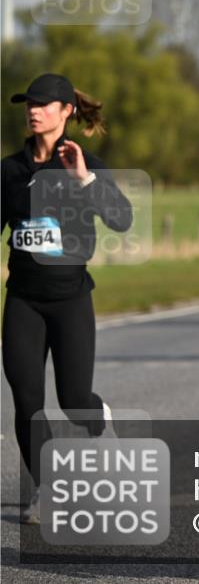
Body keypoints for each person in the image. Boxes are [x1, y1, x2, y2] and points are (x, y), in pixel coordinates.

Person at [2, 73, 133, 523]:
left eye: (43, 103)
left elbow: (121, 220)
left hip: (70, 299)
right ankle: (46, 489)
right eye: (29, 103)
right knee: (26, 402)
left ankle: (101, 422)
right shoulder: (9, 171)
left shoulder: (84, 164)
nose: (33, 110)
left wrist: (84, 180)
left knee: (73, 398)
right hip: (22, 300)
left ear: (66, 111)